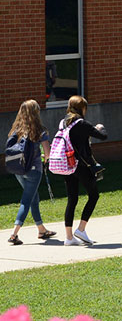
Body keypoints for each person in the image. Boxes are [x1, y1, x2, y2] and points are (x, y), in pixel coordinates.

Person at [7, 100, 56, 245]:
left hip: (19, 169)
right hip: (34, 171)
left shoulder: (16, 130)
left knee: (34, 198)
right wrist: (43, 158)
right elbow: (47, 153)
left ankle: (41, 230)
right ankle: (14, 234)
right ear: (36, 113)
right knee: (26, 200)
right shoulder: (40, 130)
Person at [60, 96, 107, 245]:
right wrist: (100, 127)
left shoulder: (63, 123)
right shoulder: (82, 124)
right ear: (83, 108)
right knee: (93, 195)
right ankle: (81, 229)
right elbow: (103, 136)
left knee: (72, 199)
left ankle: (68, 237)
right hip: (82, 165)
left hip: (68, 164)